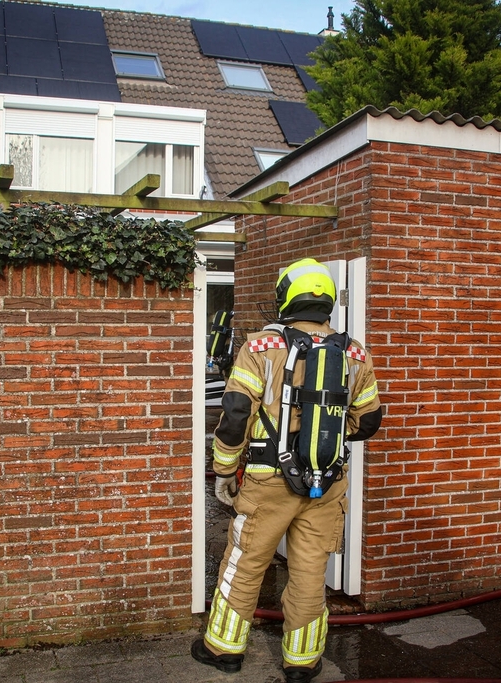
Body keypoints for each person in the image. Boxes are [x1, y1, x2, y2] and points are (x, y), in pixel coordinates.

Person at [192, 258, 382, 683]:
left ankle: (222, 648)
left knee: (244, 562)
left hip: (267, 480)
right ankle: (303, 661)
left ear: (285, 298)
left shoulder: (259, 348)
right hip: (327, 483)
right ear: (328, 300)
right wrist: (324, 443)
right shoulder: (355, 353)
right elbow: (368, 421)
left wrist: (224, 470)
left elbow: (236, 413)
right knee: (311, 571)